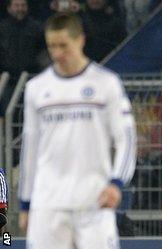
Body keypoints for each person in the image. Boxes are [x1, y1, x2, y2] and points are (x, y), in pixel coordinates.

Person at [18, 13, 137, 249]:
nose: (57, 53)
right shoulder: (36, 89)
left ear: (80, 40)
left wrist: (116, 182)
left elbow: (126, 139)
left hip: (93, 201)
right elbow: (30, 149)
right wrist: (25, 204)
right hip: (47, 203)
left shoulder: (106, 84)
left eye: (64, 45)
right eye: (52, 46)